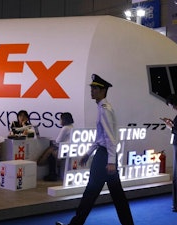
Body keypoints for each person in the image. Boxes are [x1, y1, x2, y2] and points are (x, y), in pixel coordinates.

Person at [56, 74, 134, 225]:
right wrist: (88, 153)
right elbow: (100, 137)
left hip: (104, 157)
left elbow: (110, 138)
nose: (92, 90)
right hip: (105, 155)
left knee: (91, 192)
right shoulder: (102, 107)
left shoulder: (104, 109)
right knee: (116, 195)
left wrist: (111, 161)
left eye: (95, 88)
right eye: (91, 88)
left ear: (103, 90)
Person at [38, 112, 74, 181]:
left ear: (64, 120)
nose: (60, 121)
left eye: (60, 119)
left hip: (64, 150)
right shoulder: (71, 126)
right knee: (51, 150)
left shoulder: (65, 128)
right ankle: (49, 169)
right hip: (68, 149)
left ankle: (44, 165)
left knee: (50, 151)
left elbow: (58, 141)